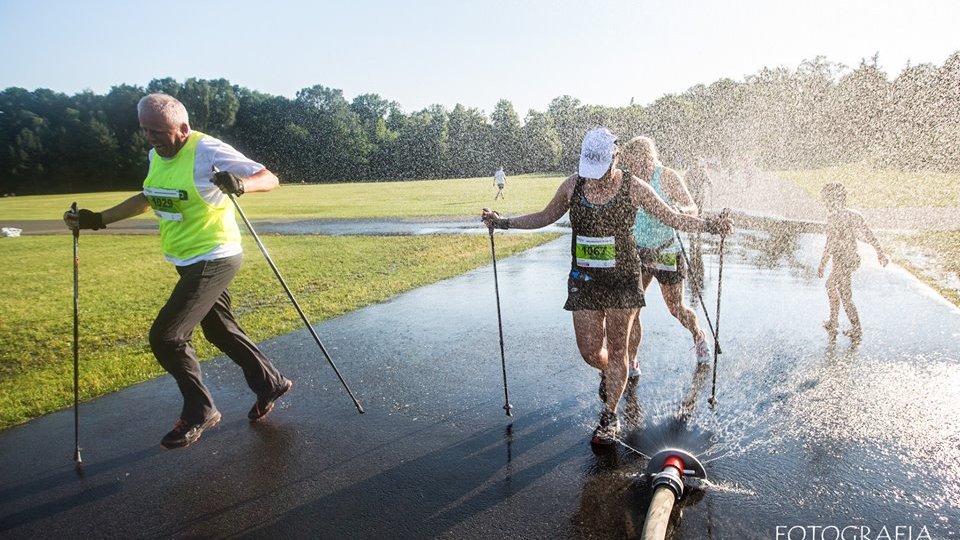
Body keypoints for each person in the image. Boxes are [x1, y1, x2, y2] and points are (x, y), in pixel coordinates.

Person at [63, 93, 292, 450]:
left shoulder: (207, 149)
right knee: (219, 329)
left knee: (167, 336)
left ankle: (200, 409)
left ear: (183, 128)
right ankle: (270, 382)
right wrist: (97, 220)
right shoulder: (156, 155)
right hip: (186, 261)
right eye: (145, 130)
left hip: (215, 256)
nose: (150, 138)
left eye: (158, 130)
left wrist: (242, 184)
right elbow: (148, 198)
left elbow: (270, 177)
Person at [481, 128, 732, 446]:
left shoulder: (633, 187)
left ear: (615, 158)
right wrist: (504, 223)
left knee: (618, 350)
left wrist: (710, 225)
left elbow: (672, 217)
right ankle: (613, 373)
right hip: (584, 281)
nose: (595, 177)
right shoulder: (573, 185)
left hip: (622, 281)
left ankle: (609, 416)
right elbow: (545, 216)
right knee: (589, 351)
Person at [621, 137, 712, 377]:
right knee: (633, 308)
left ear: (649, 158)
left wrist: (681, 212)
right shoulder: (630, 180)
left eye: (637, 164)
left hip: (666, 250)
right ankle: (632, 359)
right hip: (639, 251)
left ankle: (699, 335)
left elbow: (692, 207)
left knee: (676, 308)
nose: (633, 169)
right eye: (629, 164)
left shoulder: (667, 176)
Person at [817, 182, 888, 340]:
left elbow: (830, 244)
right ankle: (834, 321)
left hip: (842, 259)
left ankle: (855, 328)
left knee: (843, 294)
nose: (825, 204)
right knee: (833, 287)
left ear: (831, 200)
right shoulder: (854, 215)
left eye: (825, 200)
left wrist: (822, 264)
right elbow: (869, 234)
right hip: (850, 258)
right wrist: (880, 253)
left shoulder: (834, 218)